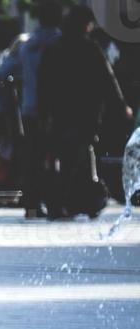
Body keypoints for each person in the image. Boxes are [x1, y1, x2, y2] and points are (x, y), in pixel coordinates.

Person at [41, 6, 133, 219]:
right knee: (79, 154)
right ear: (85, 25)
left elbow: (43, 83)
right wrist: (121, 106)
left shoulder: (54, 48)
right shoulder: (90, 48)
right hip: (85, 114)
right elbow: (108, 80)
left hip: (59, 114)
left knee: (63, 156)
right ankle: (75, 200)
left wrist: (42, 111)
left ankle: (61, 201)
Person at [15, 2, 64, 218]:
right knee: (54, 157)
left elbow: (4, 70)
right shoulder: (61, 44)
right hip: (54, 109)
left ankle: (32, 205)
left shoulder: (27, 46)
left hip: (29, 107)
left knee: (33, 157)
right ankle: (55, 203)